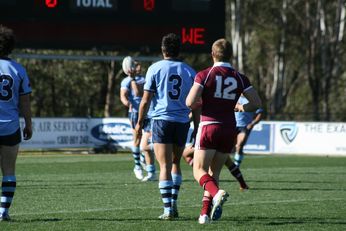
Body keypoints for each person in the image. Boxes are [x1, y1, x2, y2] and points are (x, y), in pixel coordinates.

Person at [185, 38, 262, 224]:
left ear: (212, 54)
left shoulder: (205, 74)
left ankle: (216, 192)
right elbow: (256, 104)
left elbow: (189, 102)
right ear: (231, 55)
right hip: (229, 128)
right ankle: (204, 214)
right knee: (214, 173)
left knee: (198, 170)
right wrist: (241, 108)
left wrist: (204, 102)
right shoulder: (239, 77)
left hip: (209, 126)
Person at [135, 33, 198, 220]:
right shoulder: (189, 71)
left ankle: (168, 209)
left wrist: (139, 123)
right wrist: (198, 125)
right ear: (179, 50)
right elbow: (195, 103)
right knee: (176, 163)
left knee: (164, 165)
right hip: (182, 121)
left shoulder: (154, 68)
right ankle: (174, 202)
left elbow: (145, 100)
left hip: (161, 120)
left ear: (163, 50)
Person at [0, 25, 33, 221]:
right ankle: (3, 211)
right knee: (9, 170)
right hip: (10, 126)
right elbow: (25, 102)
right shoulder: (18, 69)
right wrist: (28, 124)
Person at [120, 56, 146, 180]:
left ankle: (143, 158)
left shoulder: (144, 79)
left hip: (148, 113)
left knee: (148, 140)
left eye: (140, 65)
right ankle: (137, 166)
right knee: (137, 139)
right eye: (136, 65)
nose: (139, 67)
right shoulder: (126, 81)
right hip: (135, 112)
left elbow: (141, 94)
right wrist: (127, 103)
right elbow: (124, 96)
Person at [233, 94, 264, 166]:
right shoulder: (234, 97)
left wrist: (252, 123)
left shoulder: (251, 99)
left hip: (244, 126)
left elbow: (260, 113)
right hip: (232, 125)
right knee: (228, 147)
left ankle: (236, 165)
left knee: (239, 145)